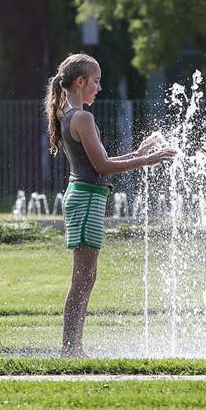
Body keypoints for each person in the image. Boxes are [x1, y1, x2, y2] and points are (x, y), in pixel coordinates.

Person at [45, 53, 175, 357]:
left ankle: (73, 346)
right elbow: (102, 167)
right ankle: (69, 349)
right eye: (96, 81)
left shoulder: (71, 116)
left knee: (86, 277)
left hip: (85, 196)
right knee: (82, 278)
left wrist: (136, 153)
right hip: (86, 198)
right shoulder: (82, 118)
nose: (99, 87)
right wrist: (147, 160)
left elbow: (98, 164)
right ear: (80, 82)